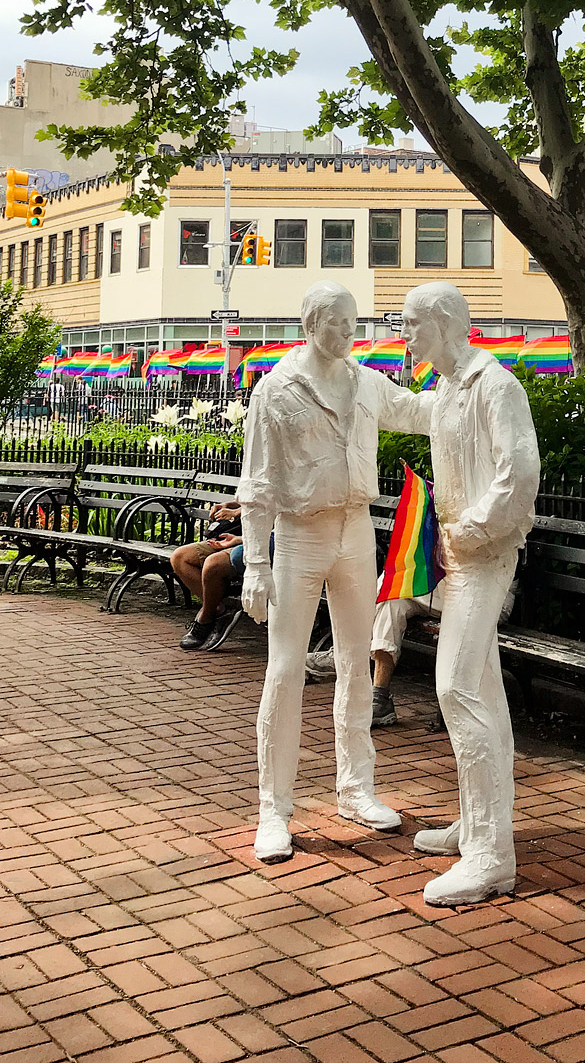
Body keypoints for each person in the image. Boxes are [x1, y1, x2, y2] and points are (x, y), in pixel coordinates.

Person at [237, 281, 432, 864]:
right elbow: (258, 483)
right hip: (299, 535)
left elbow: (418, 410)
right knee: (286, 668)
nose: (351, 333)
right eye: (340, 323)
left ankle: (356, 788)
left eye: (354, 323)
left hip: (355, 531)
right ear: (310, 324)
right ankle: (273, 807)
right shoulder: (276, 389)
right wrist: (255, 562)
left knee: (356, 660)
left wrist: (470, 381)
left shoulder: (365, 380)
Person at [400, 282, 540, 907]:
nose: (406, 337)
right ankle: (480, 822)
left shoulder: (495, 385)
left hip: (484, 557)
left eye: (412, 325)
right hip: (460, 557)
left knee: (455, 686)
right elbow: (401, 412)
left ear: (444, 322)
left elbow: (520, 473)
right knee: (481, 688)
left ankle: (491, 857)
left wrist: (471, 529)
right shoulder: (448, 388)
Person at [369, 572, 518, 725]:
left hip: (485, 596)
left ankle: (467, 711)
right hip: (443, 588)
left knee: (391, 586)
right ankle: (380, 696)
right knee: (391, 599)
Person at [170, 501, 245, 652]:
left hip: (258, 540)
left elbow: (273, 504)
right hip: (234, 534)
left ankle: (205, 618)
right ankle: (217, 610)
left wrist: (237, 512)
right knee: (180, 557)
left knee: (212, 565)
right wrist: (229, 505)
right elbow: (250, 497)